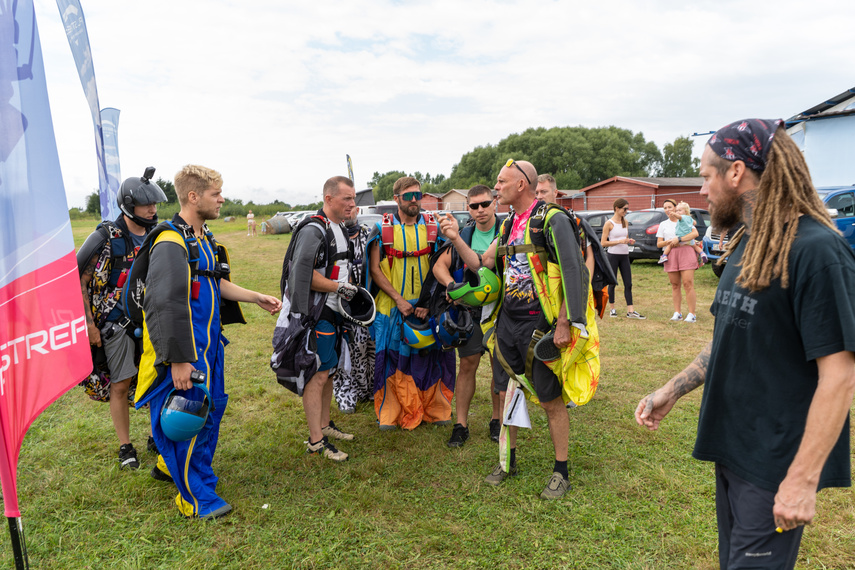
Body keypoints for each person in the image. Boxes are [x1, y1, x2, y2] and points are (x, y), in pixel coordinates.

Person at [635, 119, 855, 569]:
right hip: (733, 446)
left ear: (735, 173)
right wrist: (672, 390)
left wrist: (801, 480)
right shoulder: (752, 242)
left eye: (707, 175)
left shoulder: (817, 251)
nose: (702, 190)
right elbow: (731, 336)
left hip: (774, 462)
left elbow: (841, 373)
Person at [441, 159, 598, 499]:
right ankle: (506, 460)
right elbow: (484, 264)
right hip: (507, 322)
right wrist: (454, 237)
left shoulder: (553, 220)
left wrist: (564, 323)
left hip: (540, 324)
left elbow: (574, 271)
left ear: (521, 185)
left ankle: (561, 471)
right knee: (505, 392)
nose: (495, 188)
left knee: (550, 398)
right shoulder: (509, 223)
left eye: (501, 182)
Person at [134, 165, 281, 519]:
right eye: (216, 194)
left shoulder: (204, 237)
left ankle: (177, 469)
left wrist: (253, 296)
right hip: (184, 351)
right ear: (193, 196)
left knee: (209, 410)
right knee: (185, 418)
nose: (222, 199)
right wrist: (180, 359)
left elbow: (214, 282)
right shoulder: (171, 241)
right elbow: (166, 303)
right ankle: (193, 497)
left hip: (210, 346)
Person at [77, 168, 168, 470]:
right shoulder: (105, 237)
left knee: (158, 380)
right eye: (146, 204)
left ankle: (157, 434)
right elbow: (79, 279)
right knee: (120, 383)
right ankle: (124, 445)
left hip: (153, 323)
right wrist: (89, 324)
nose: (152, 209)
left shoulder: (160, 236)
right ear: (129, 205)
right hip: (116, 326)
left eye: (155, 204)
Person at [273, 176, 360, 461]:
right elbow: (304, 275)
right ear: (328, 198)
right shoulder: (313, 229)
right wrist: (339, 288)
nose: (352, 203)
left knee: (329, 371)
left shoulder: (339, 227)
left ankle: (324, 425)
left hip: (336, 312)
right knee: (318, 373)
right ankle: (316, 441)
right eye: (346, 198)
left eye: (353, 197)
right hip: (317, 314)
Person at [367, 176, 455, 430]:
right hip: (392, 308)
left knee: (432, 357)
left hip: (427, 307)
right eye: (408, 196)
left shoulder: (433, 228)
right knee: (393, 360)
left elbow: (441, 265)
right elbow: (375, 270)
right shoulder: (381, 230)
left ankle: (435, 409)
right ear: (396, 199)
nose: (415, 200)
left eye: (418, 195)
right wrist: (399, 300)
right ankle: (392, 413)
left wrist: (428, 302)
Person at [430, 185, 502, 447]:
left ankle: (497, 420)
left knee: (499, 368)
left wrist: (455, 238)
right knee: (468, 366)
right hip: (469, 315)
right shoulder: (467, 232)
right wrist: (451, 285)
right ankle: (460, 424)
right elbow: (440, 265)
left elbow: (483, 264)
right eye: (474, 206)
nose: (480, 210)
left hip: (500, 312)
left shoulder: (505, 231)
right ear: (468, 208)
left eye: (485, 204)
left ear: (495, 203)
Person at [331, 207, 375, 414]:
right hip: (341, 305)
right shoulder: (332, 237)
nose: (348, 213)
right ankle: (348, 393)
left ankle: (371, 390)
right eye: (344, 208)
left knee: (369, 347)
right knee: (347, 351)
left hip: (369, 303)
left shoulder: (369, 235)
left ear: (357, 210)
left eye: (352, 209)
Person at [537, 174, 594, 278]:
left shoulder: (572, 219)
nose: (539, 196)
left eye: (543, 192)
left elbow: (588, 255)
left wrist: (586, 286)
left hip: (571, 280)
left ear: (555, 192)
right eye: (536, 193)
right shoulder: (532, 222)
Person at [600, 198, 645, 319]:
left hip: (624, 255)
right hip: (613, 256)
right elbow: (603, 243)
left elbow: (625, 237)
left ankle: (630, 311)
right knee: (612, 283)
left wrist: (629, 240)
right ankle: (612, 308)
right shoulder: (609, 223)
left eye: (627, 209)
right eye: (624, 209)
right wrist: (619, 241)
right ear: (617, 208)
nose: (626, 211)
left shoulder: (625, 221)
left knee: (628, 283)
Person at [656, 198, 699, 322]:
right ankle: (677, 313)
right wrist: (669, 241)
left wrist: (679, 239)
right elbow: (659, 244)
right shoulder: (663, 224)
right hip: (671, 254)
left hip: (686, 251)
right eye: (665, 208)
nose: (667, 210)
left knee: (688, 283)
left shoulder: (684, 219)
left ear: (675, 208)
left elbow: (694, 234)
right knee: (675, 285)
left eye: (670, 207)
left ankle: (692, 314)